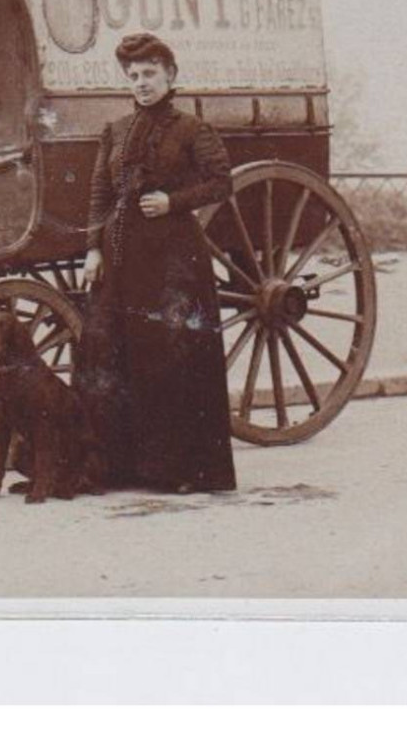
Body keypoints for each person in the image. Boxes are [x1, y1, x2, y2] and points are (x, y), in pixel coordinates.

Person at [76, 33, 237, 494]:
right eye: (134, 76)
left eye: (150, 74)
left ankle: (179, 469)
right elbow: (100, 195)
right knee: (110, 353)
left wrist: (172, 201)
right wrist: (92, 248)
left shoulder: (192, 130)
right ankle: (117, 466)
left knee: (167, 361)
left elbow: (219, 182)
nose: (142, 83)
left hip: (172, 264)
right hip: (120, 259)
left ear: (170, 76)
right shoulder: (116, 131)